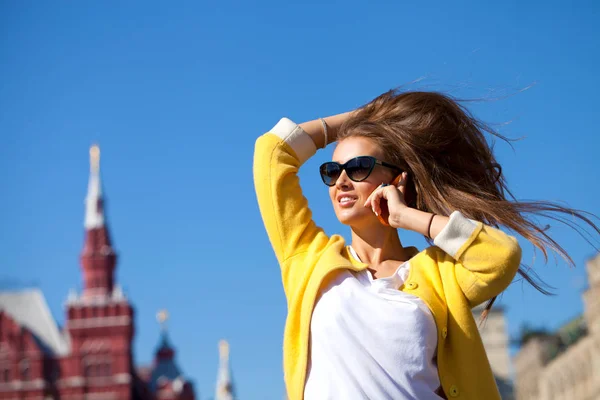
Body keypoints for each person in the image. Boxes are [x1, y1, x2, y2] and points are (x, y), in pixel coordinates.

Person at [253, 90, 598, 400]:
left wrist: (408, 216)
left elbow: (501, 255)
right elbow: (273, 152)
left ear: (396, 180)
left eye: (358, 167)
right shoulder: (308, 259)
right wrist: (360, 119)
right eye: (332, 170)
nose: (341, 180)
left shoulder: (437, 273)